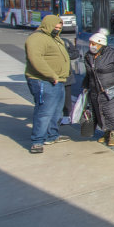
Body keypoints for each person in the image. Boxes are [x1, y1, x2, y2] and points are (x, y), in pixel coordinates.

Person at [24, 14, 70, 153]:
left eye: (59, 28)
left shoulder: (53, 37)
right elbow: (36, 59)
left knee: (56, 111)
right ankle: (37, 141)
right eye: (55, 27)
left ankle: (52, 135)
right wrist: (52, 75)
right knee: (44, 112)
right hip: (44, 81)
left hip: (58, 80)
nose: (58, 30)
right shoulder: (37, 38)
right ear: (47, 25)